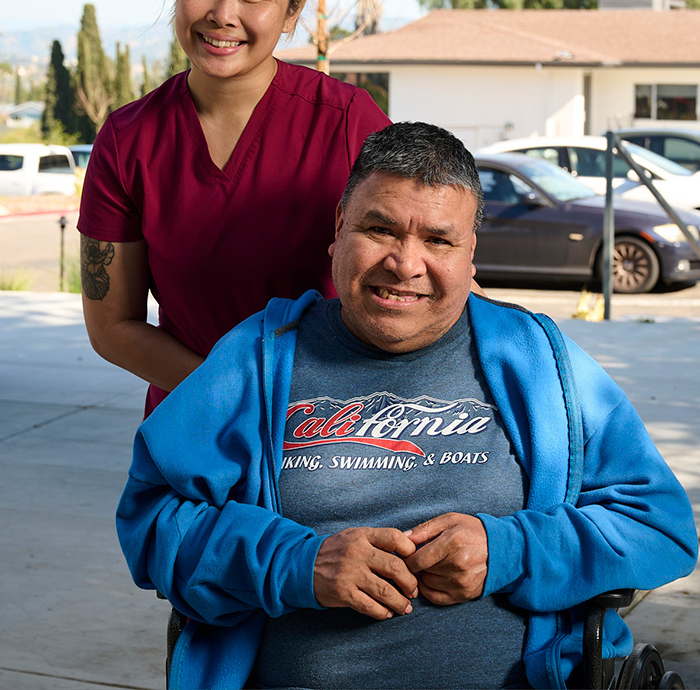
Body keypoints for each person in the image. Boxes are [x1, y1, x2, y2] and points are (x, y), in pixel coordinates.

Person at [116, 122, 698, 690]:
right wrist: (297, 564)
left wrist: (511, 549)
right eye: (380, 228)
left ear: (470, 253)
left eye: (438, 240)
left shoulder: (537, 358)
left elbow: (660, 528)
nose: (405, 263)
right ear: (339, 228)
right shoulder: (257, 357)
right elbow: (153, 521)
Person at [77, 0, 390, 416]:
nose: (223, 15)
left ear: (292, 12)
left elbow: (427, 263)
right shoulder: (127, 139)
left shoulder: (347, 122)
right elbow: (113, 326)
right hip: (194, 422)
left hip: (333, 428)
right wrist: (235, 394)